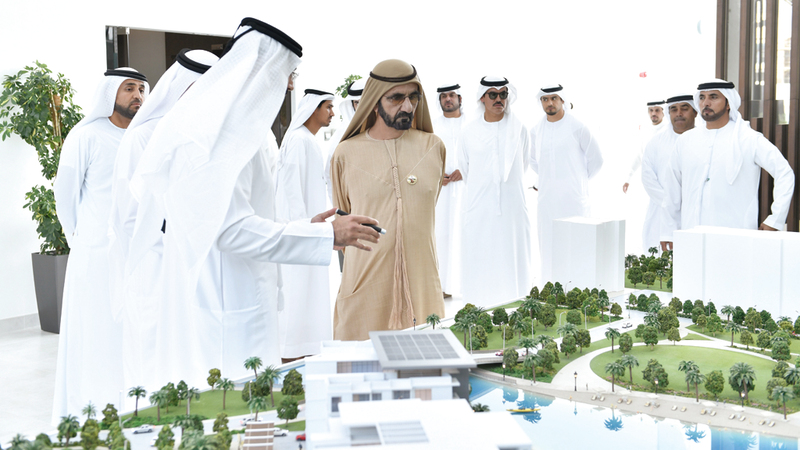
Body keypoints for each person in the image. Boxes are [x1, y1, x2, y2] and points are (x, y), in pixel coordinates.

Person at [129, 18, 379, 392]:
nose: (288, 86)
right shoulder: (214, 135)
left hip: (246, 291)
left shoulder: (243, 131)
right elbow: (230, 230)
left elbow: (250, 211)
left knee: (258, 399)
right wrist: (324, 236)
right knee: (237, 403)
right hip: (227, 302)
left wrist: (307, 226)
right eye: (285, 75)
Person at [107, 49, 218, 394]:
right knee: (149, 364)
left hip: (193, 270)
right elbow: (128, 217)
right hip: (152, 267)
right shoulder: (142, 136)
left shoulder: (203, 135)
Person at [52, 67, 149, 422]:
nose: (137, 95)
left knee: (129, 331)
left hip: (135, 254)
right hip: (93, 255)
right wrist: (82, 240)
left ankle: (130, 405)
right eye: (129, 88)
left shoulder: (144, 136)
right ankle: (90, 409)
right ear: (110, 93)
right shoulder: (86, 135)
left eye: (141, 89)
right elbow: (65, 196)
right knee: (94, 332)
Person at [330, 59, 445, 340]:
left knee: (425, 362)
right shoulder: (345, 154)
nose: (407, 107)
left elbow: (426, 209)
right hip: (366, 286)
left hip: (422, 287)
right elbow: (344, 216)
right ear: (374, 101)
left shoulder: (433, 148)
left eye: (413, 97)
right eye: (396, 98)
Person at [661, 80, 794, 248]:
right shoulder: (685, 141)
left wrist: (775, 220)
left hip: (736, 239)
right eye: (702, 98)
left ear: (729, 103)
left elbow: (784, 173)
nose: (706, 103)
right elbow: (672, 188)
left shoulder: (748, 138)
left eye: (713, 97)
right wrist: (668, 230)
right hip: (692, 235)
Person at [458, 77, 531, 307]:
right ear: (482, 97)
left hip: (512, 209)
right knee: (481, 258)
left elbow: (524, 164)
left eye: (503, 94)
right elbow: (466, 169)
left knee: (512, 257)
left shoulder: (519, 129)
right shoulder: (468, 132)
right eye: (493, 94)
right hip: (480, 209)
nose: (498, 99)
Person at [275, 89, 335, 362]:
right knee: (297, 293)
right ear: (313, 108)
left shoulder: (307, 140)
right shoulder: (299, 140)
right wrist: (302, 227)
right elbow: (290, 190)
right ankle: (290, 354)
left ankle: (307, 350)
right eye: (328, 107)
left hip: (311, 230)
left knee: (311, 293)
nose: (332, 113)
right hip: (300, 232)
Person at [531, 84, 603, 283]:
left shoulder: (577, 127)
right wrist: (550, 180)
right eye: (545, 99)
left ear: (562, 99)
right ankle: (550, 287)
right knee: (549, 245)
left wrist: (578, 181)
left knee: (577, 244)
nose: (550, 103)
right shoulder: (536, 131)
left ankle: (580, 287)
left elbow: (597, 159)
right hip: (547, 202)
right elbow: (534, 161)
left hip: (574, 200)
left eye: (554, 98)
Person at [640, 94, 697, 252]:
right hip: (661, 212)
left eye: (684, 108)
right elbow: (648, 179)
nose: (679, 113)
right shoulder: (656, 142)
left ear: (695, 112)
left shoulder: (703, 141)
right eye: (673, 109)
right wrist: (670, 203)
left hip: (696, 212)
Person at [431, 83, 466, 298]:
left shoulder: (472, 124)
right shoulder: (432, 127)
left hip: (467, 189)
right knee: (441, 236)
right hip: (441, 191)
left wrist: (466, 170)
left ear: (460, 98)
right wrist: (435, 174)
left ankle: (466, 285)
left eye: (452, 95)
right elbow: (423, 157)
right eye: (444, 96)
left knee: (466, 234)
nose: (448, 99)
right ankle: (442, 287)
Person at [623, 100, 667, 193]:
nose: (653, 113)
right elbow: (640, 156)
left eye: (657, 110)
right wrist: (628, 179)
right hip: (648, 184)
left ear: (663, 112)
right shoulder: (646, 131)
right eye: (651, 110)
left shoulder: (668, 131)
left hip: (665, 185)